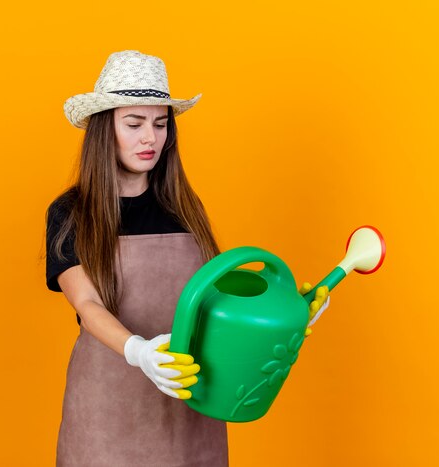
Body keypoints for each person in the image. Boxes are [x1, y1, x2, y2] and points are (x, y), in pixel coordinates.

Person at [42, 50, 329, 467]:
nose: (150, 139)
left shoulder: (184, 208)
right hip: (108, 407)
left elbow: (217, 302)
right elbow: (87, 305)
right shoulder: (72, 212)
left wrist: (288, 312)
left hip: (190, 399)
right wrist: (140, 352)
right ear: (106, 129)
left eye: (160, 124)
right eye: (134, 124)